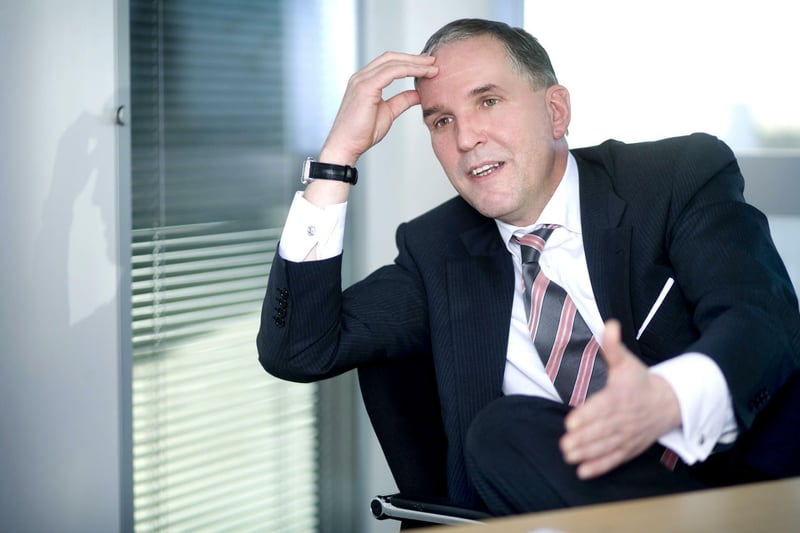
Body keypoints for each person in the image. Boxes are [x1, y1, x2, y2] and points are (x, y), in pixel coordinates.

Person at [258, 18, 800, 515]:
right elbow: (298, 349)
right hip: (568, 500)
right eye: (441, 120)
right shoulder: (434, 250)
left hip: (746, 490)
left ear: (556, 111)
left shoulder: (674, 178)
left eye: (488, 101)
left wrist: (666, 401)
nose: (466, 138)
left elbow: (759, 318)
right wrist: (337, 158)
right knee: (501, 434)